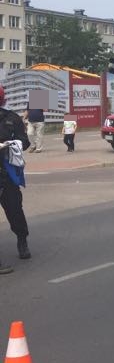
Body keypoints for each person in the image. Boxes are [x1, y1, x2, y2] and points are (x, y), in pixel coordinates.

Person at [0, 86, 32, 273]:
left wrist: (12, 144)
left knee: (14, 212)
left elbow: (25, 142)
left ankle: (22, 240)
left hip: (7, 174)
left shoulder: (12, 118)